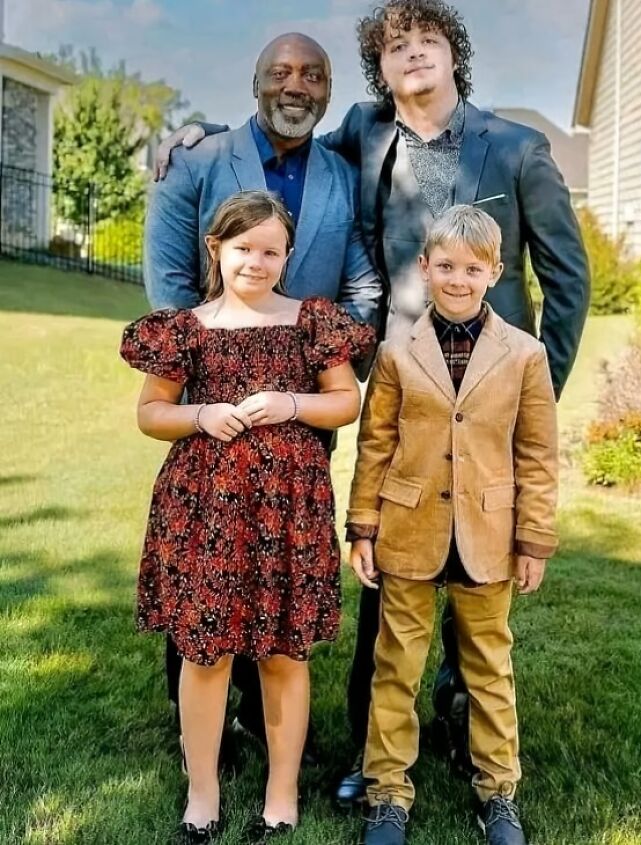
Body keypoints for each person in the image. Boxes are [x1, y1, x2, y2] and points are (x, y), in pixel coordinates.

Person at [153, 0, 589, 802]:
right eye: (395, 47)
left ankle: (468, 728)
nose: (413, 54)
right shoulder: (366, 132)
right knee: (387, 559)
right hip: (398, 395)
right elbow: (284, 130)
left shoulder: (519, 149)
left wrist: (534, 397)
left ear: (454, 55)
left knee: (481, 569)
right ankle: (370, 750)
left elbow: (569, 283)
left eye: (427, 40)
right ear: (380, 72)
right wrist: (192, 136)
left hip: (488, 396)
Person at [145, 31, 383, 762]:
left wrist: (333, 354)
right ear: (254, 82)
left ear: (328, 91)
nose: (297, 85)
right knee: (207, 566)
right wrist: (197, 385)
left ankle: (266, 715)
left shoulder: (343, 173)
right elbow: (169, 282)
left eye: (314, 75)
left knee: (279, 567)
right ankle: (201, 737)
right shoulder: (199, 158)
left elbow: (362, 281)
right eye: (281, 71)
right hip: (211, 411)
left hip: (303, 408)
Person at [120, 191, 374, 843]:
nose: (256, 261)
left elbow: (346, 400)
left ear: (287, 254)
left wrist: (289, 402)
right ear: (216, 249)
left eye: (270, 250)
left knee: (283, 652)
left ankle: (280, 792)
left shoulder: (311, 321)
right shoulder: (187, 327)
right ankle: (202, 793)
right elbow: (151, 412)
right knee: (205, 653)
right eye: (242, 248)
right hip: (203, 512)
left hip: (288, 512)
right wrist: (201, 415)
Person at [346, 205, 558, 845]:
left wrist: (534, 537)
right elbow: (375, 445)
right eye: (446, 266)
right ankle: (388, 792)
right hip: (409, 529)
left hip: (488, 534)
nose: (458, 279)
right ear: (424, 268)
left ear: (495, 271)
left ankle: (498, 791)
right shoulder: (396, 353)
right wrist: (362, 526)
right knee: (396, 665)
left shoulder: (525, 355)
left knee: (489, 666)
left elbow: (538, 454)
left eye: (472, 268)